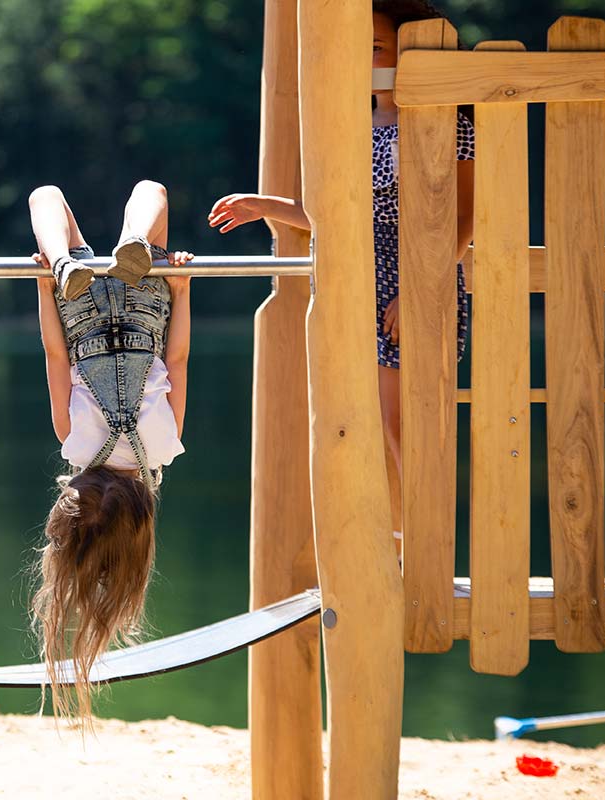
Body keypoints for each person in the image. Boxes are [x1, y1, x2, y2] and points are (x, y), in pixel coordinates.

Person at [207, 0, 474, 557]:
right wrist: (265, 206)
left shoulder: (446, 121)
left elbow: (466, 214)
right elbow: (335, 213)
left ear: (407, 54)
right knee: (374, 427)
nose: (367, 59)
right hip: (357, 288)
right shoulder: (358, 124)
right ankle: (401, 544)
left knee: (406, 426)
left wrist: (421, 291)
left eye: (376, 47)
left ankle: (428, 548)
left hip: (416, 284)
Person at [29, 180, 193, 720]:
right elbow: (57, 358)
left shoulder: (162, 446)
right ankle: (59, 260)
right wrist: (44, 285)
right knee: (46, 197)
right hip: (76, 308)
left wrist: (183, 288)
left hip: (146, 303)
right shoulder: (73, 441)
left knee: (151, 192)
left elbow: (180, 359)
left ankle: (136, 243)